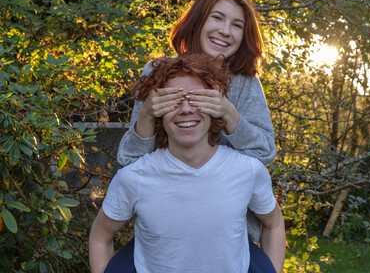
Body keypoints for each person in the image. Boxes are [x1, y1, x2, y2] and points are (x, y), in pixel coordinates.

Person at [89, 54, 285, 273]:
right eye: (174, 101)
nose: (186, 109)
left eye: (196, 99)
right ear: (158, 112)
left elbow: (274, 224)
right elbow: (100, 237)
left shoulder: (248, 171)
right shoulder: (133, 177)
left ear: (215, 107)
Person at [117, 0, 276, 247]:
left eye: (237, 25)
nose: (225, 31)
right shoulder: (159, 73)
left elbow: (265, 153)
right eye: (217, 17)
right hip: (166, 228)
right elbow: (129, 161)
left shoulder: (246, 83)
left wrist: (227, 112)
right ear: (199, 20)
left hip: (232, 233)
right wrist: (146, 114)